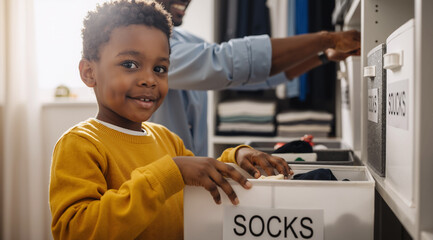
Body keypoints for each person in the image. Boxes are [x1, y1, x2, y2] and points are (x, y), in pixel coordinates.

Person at [49, 1, 292, 239]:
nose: (149, 80)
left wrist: (237, 159)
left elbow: (200, 176)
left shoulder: (167, 139)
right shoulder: (79, 144)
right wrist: (169, 173)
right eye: (130, 64)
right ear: (89, 73)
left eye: (160, 69)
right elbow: (75, 231)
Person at [149, 0, 361, 157]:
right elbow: (225, 63)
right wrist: (326, 39)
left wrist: (322, 55)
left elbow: (255, 76)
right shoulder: (146, 47)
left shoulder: (189, 40)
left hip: (192, 183)